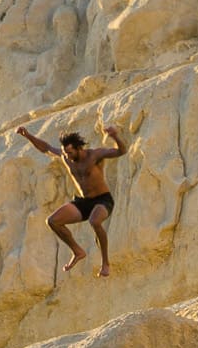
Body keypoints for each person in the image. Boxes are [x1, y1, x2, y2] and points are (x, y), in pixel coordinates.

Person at [15, 116, 130, 277]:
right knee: (52, 221)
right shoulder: (65, 156)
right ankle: (77, 251)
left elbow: (121, 151)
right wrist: (27, 135)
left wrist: (115, 137)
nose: (67, 156)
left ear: (78, 148)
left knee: (95, 221)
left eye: (69, 152)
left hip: (102, 200)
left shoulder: (94, 156)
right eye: (65, 153)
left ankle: (105, 263)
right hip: (83, 202)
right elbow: (46, 148)